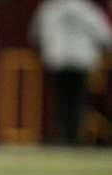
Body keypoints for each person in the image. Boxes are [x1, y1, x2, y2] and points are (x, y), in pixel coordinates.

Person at [29, 0, 111, 145]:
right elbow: (104, 34)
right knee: (76, 102)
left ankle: (63, 137)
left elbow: (35, 33)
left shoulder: (50, 8)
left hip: (58, 60)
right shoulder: (86, 9)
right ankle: (72, 137)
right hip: (81, 61)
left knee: (60, 101)